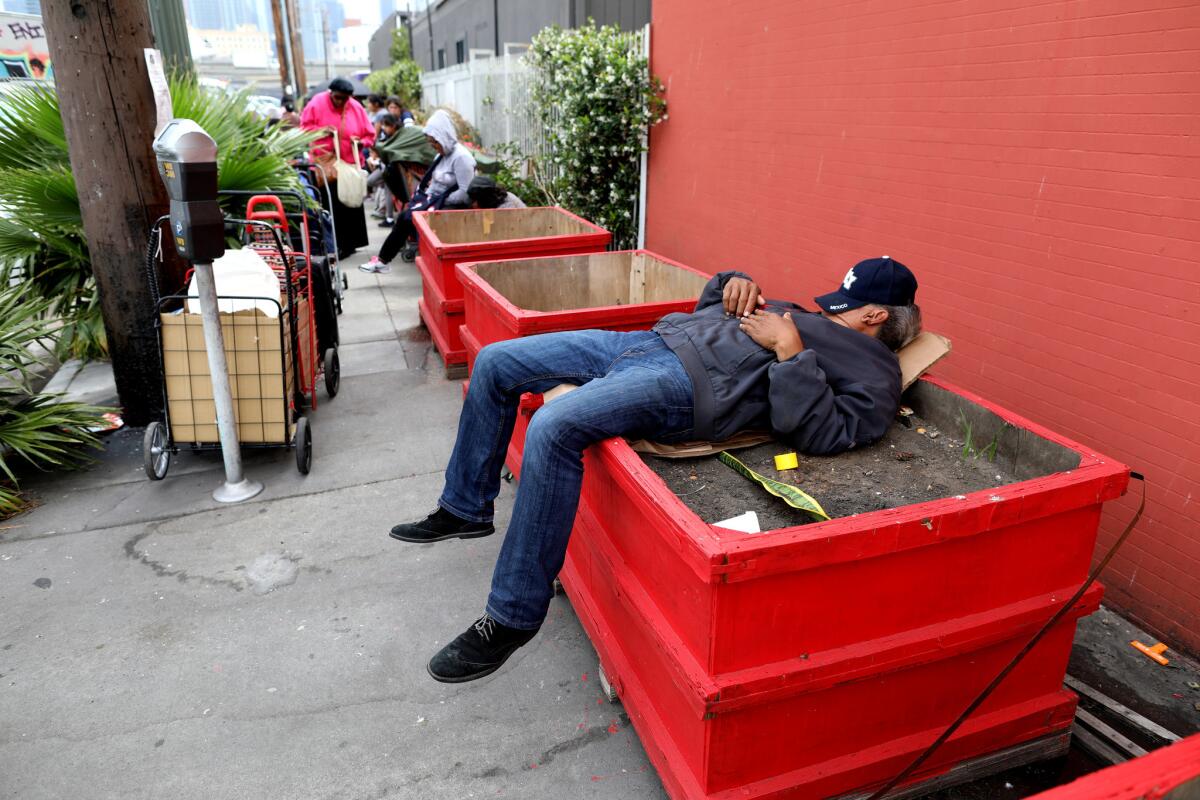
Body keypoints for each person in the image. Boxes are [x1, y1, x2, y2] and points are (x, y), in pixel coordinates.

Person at [390, 257, 923, 682]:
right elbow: (713, 311)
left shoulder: (873, 369)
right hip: (650, 343)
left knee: (553, 427)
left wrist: (791, 353)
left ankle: (511, 617)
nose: (827, 312)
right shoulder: (804, 315)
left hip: (687, 387)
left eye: (843, 307)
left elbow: (826, 433)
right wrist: (730, 285)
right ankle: (465, 506)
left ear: (874, 316)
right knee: (496, 362)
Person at [360, 109, 476, 273]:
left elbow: (465, 193)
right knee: (405, 216)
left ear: (444, 137)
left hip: (450, 205)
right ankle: (383, 260)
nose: (434, 147)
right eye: (431, 143)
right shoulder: (441, 155)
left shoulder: (461, 158)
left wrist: (435, 201)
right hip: (436, 200)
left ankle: (383, 260)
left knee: (407, 218)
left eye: (435, 142)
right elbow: (432, 181)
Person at [300, 77, 376, 260]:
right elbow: (304, 128)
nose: (341, 102)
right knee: (332, 204)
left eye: (344, 99)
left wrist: (360, 142)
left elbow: (370, 135)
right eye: (337, 98)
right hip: (327, 164)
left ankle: (352, 244)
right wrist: (320, 131)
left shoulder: (355, 107)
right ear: (330, 93)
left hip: (349, 163)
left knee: (351, 204)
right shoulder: (317, 103)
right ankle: (337, 245)